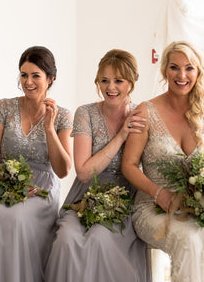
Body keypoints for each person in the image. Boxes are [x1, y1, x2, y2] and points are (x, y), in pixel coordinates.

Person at [121, 41, 204, 281]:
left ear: (198, 72)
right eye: (174, 67)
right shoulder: (145, 111)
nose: (181, 75)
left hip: (194, 207)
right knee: (189, 240)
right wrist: (158, 193)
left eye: (189, 68)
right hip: (151, 207)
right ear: (164, 71)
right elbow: (128, 165)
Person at [45, 49, 150, 281]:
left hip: (124, 199)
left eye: (118, 81)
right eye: (104, 80)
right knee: (66, 239)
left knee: (100, 238)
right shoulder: (86, 113)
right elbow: (83, 172)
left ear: (131, 83)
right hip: (84, 195)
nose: (110, 88)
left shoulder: (141, 115)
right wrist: (121, 135)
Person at [0, 46, 73, 282]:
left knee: (17, 218)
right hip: (3, 184)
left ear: (50, 79)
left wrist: (49, 128)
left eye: (35, 76)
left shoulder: (63, 116)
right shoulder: (4, 108)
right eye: (24, 75)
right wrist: (5, 187)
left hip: (42, 190)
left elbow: (63, 170)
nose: (28, 82)